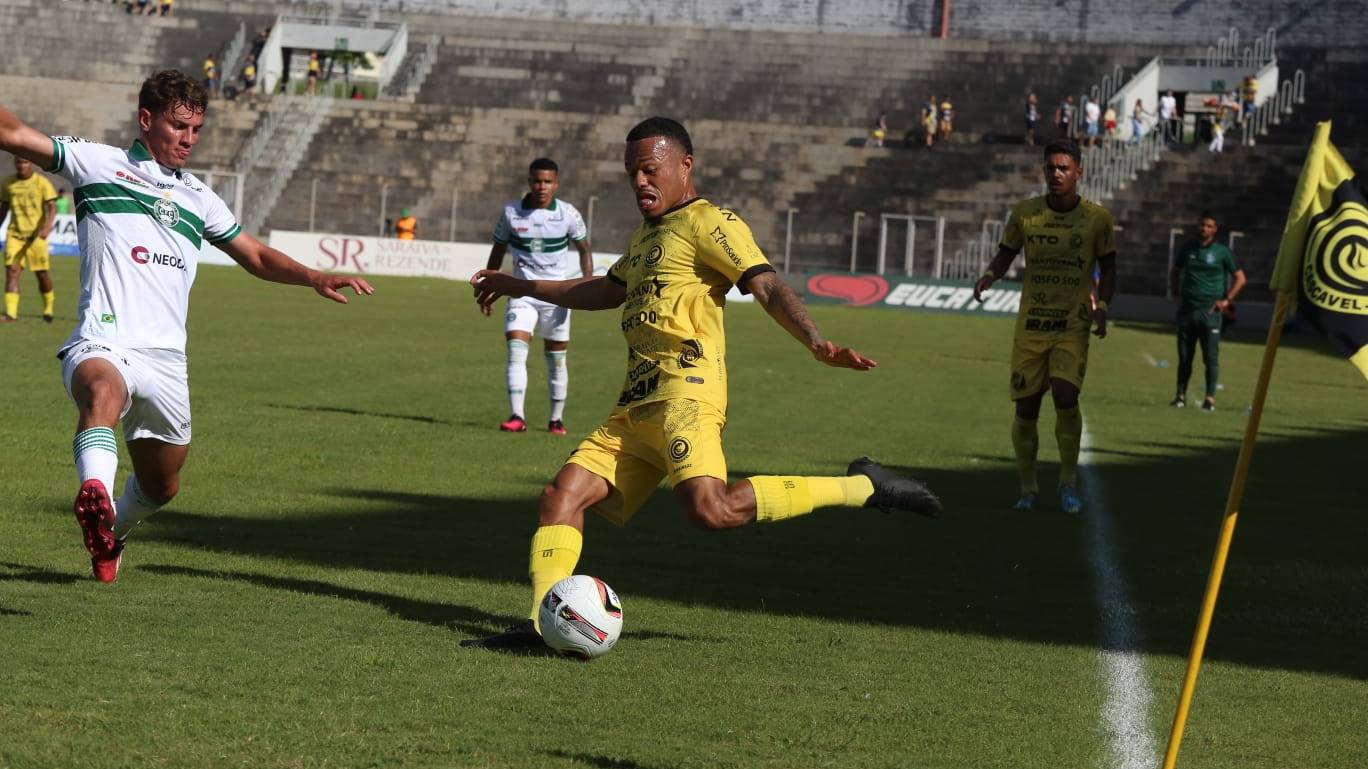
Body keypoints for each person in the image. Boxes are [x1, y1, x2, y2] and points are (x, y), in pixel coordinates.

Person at [462, 117, 942, 650]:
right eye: (631, 173)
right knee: (560, 498)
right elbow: (604, 289)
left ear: (684, 166)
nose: (640, 181)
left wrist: (815, 341)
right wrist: (519, 284)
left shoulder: (709, 222)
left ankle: (865, 487)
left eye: (650, 169)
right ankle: (540, 626)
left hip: (686, 396)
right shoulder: (647, 235)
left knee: (711, 510)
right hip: (636, 405)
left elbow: (767, 286)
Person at [0, 70, 374, 581]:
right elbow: (15, 134)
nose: (189, 139)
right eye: (180, 127)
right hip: (104, 341)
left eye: (196, 129)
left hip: (167, 361)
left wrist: (312, 276)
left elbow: (256, 256)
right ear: (147, 120)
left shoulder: (199, 197)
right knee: (101, 397)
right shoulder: (98, 162)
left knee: (162, 486)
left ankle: (112, 535)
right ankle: (95, 494)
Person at [972, 139, 1116, 514]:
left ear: (1079, 172)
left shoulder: (1097, 219)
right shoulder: (1025, 213)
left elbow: (1110, 265)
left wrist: (1103, 306)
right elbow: (1007, 252)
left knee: (1066, 395)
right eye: (1051, 168)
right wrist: (989, 275)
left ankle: (1067, 482)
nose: (1056, 174)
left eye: (1063, 168)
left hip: (1072, 323)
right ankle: (1028, 488)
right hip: (1031, 325)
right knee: (1026, 409)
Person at [482, 158, 593, 435]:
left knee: (556, 359)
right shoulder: (511, 213)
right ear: (529, 181)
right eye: (536, 181)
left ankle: (556, 420)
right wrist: (488, 284)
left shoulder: (568, 214)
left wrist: (586, 284)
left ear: (555, 184)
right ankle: (517, 416)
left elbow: (584, 249)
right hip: (521, 293)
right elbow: (498, 249)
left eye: (547, 181)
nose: (541, 186)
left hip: (557, 295)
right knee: (516, 351)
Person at [1169, 212, 1245, 411]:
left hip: (1210, 313)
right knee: (1185, 357)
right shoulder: (1187, 249)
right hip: (1187, 311)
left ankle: (1209, 398)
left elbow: (1240, 278)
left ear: (1215, 229)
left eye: (1209, 226)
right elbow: (1174, 271)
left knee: (1210, 358)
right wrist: (1175, 295)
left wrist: (1226, 300)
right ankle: (1180, 396)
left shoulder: (1222, 252)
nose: (1205, 228)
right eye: (1202, 225)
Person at [0, 156, 58, 323]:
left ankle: (48, 309)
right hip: (15, 235)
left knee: (42, 274)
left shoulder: (42, 182)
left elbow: (52, 206)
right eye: (18, 162)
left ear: (31, 163)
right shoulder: (8, 183)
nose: (21, 166)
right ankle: (11, 314)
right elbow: (3, 209)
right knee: (12, 271)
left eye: (25, 162)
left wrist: (47, 226)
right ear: (15, 163)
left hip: (36, 237)